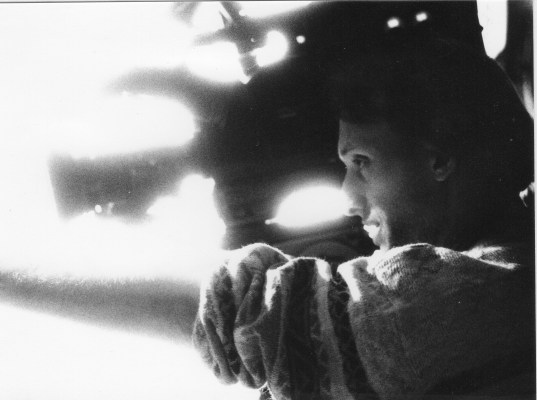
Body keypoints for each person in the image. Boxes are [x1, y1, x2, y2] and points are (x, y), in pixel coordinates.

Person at [192, 35, 535, 400]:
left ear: (439, 160)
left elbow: (244, 321)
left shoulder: (478, 291)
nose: (349, 199)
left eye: (361, 162)